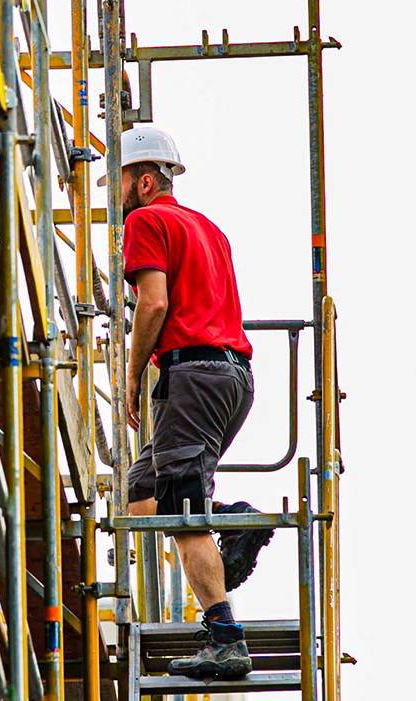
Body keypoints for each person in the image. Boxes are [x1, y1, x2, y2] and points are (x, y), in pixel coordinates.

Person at [116, 125, 271, 680]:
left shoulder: (146, 220)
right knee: (142, 495)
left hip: (194, 376)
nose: (117, 194)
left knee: (183, 516)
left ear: (146, 180)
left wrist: (133, 374)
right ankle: (232, 520)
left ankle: (227, 641)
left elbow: (153, 305)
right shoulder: (209, 229)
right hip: (232, 379)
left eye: (122, 181)